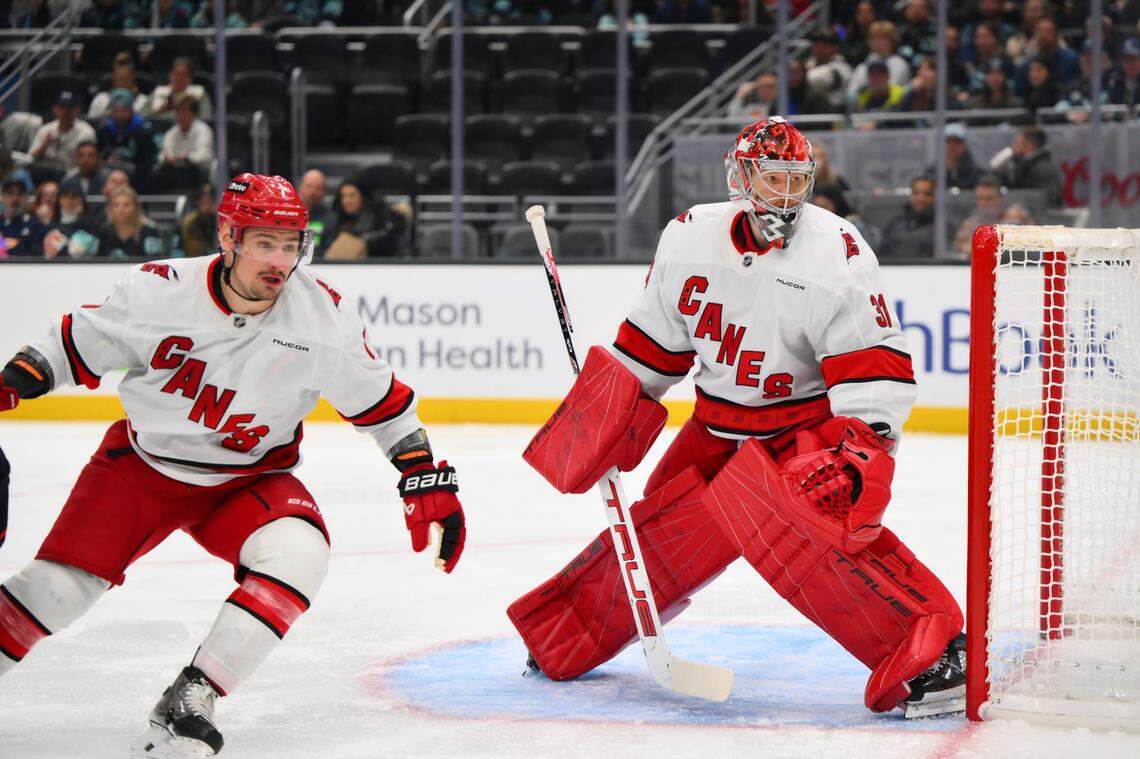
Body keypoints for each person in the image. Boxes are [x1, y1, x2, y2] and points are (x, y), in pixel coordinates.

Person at [508, 118, 966, 720]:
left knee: (810, 526)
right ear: (741, 177)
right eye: (771, 177)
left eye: (796, 179)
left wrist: (859, 454)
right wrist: (610, 415)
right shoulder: (689, 236)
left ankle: (935, 649)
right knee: (663, 531)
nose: (785, 193)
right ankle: (567, 632)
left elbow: (872, 364)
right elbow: (653, 348)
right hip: (715, 428)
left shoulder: (837, 250)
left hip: (799, 432)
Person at [0, 173, 467, 757]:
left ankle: (193, 694)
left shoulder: (323, 318)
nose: (279, 260)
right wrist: (22, 373)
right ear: (228, 237)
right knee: (54, 593)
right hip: (142, 468)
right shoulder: (160, 290)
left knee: (300, 555)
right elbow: (77, 340)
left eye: (291, 243)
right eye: (264, 242)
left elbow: (385, 408)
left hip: (247, 480)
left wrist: (420, 473)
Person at [96, 88, 159, 187]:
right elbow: (98, 155)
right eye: (116, 110)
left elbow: (150, 160)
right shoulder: (104, 130)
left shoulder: (143, 131)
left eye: (124, 110)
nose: (120, 115)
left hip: (136, 173)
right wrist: (106, 160)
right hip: (109, 170)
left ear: (131, 110)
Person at [994, 126, 1063, 207]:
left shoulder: (1042, 169)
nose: (1012, 146)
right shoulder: (1025, 165)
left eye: (1017, 143)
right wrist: (1001, 173)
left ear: (1030, 145)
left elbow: (1049, 200)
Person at [28, 91, 97, 170]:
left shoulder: (86, 133)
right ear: (55, 109)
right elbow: (30, 159)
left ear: (78, 109)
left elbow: (89, 164)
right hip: (45, 175)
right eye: (62, 107)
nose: (66, 112)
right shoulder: (46, 129)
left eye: (70, 108)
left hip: (72, 176)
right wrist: (44, 145)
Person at [846, 21, 911, 102]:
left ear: (892, 41)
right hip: (864, 110)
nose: (878, 43)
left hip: (892, 110)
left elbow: (886, 91)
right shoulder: (863, 66)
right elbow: (851, 93)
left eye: (882, 38)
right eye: (874, 38)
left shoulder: (899, 64)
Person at [878, 174, 937, 259]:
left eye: (927, 194)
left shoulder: (942, 228)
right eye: (916, 193)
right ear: (911, 195)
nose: (921, 198)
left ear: (934, 197)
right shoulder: (894, 223)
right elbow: (880, 254)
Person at [96, 185, 164, 258]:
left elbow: (155, 260)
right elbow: (97, 259)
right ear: (110, 208)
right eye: (116, 205)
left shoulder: (149, 231)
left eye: (126, 205)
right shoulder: (104, 230)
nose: (121, 209)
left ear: (136, 207)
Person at [43, 179, 100, 259]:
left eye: (74, 196)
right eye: (65, 196)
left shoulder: (92, 226)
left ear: (81, 200)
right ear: (59, 199)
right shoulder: (50, 226)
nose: (69, 200)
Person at [952, 173, 1004, 257]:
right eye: (980, 198)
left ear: (999, 199)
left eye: (989, 199)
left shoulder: (1012, 221)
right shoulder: (968, 225)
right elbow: (958, 248)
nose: (983, 203)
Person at [145, 57, 214, 119]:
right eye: (176, 74)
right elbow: (143, 117)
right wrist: (161, 110)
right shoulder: (159, 92)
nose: (179, 78)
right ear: (170, 75)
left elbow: (206, 118)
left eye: (183, 75)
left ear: (190, 78)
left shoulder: (199, 93)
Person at [88, 51, 149, 121]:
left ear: (133, 79)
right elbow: (93, 123)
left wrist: (132, 101)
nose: (122, 83)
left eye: (126, 79)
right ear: (113, 79)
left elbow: (145, 124)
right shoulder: (101, 99)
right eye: (119, 79)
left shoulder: (143, 101)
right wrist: (111, 102)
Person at [160, 95, 214, 171]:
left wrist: (186, 158)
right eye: (178, 112)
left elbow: (203, 156)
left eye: (184, 112)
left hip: (197, 171)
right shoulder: (172, 132)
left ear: (194, 114)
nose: (180, 116)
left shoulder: (203, 130)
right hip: (175, 171)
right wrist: (168, 158)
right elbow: (165, 154)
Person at [805, 29, 852, 111]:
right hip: (810, 113)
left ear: (834, 48)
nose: (819, 49)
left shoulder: (842, 67)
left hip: (834, 114)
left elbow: (816, 78)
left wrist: (804, 73)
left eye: (823, 45)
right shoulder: (809, 63)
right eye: (816, 45)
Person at [0, 177, 46, 257]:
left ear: (26, 197)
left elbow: (37, 256)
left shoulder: (34, 224)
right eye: (10, 193)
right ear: (2, 197)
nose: (15, 198)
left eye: (20, 194)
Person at [297, 169, 336, 257]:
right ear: (300, 188)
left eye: (318, 188)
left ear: (324, 192)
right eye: (309, 186)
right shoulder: (288, 214)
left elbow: (329, 252)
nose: (313, 192)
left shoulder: (330, 219)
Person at [931, 123, 980, 190]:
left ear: (965, 145)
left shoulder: (977, 174)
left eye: (957, 142)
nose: (952, 146)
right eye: (948, 142)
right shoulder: (931, 173)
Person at [176, 183, 218, 257]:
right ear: (198, 203)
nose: (207, 206)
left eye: (211, 202)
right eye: (204, 203)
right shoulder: (190, 222)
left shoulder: (221, 221)